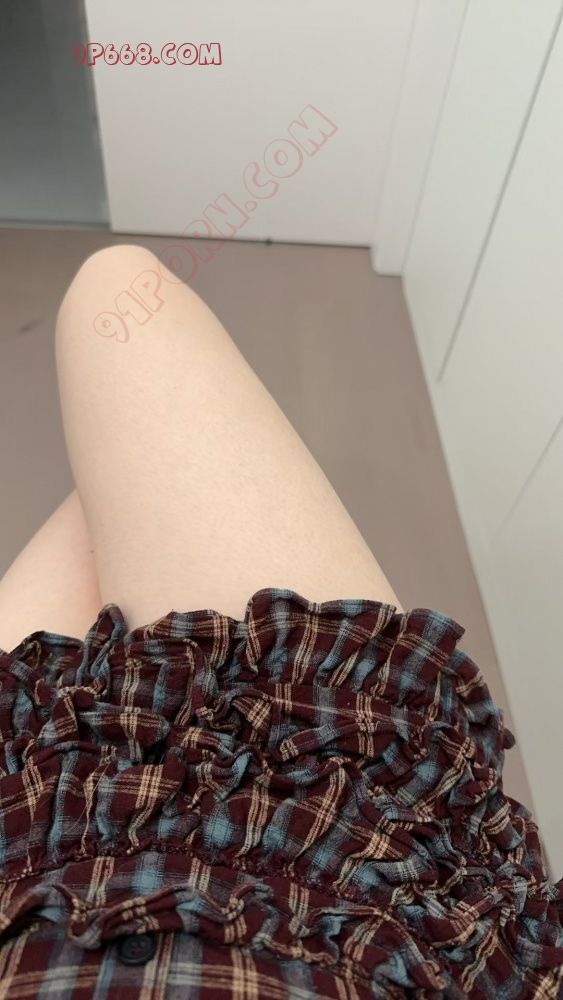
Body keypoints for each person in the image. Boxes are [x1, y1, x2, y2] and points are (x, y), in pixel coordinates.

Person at [0, 244, 560, 998]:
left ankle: (148, 465)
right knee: (124, 322)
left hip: (47, 859)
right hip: (317, 869)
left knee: (121, 312)